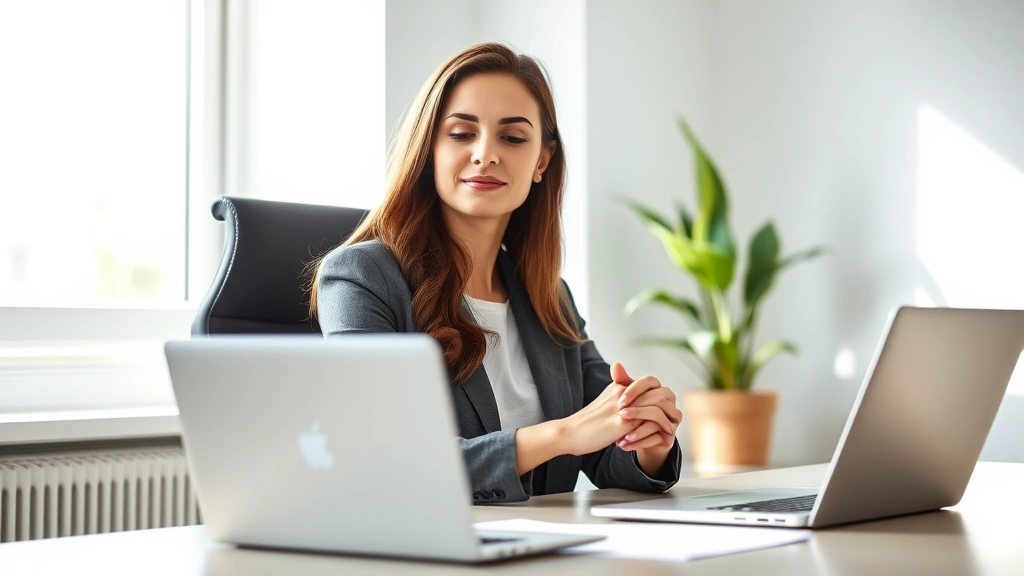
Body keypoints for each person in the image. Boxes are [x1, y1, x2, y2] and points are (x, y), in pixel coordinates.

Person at [310, 42, 682, 503]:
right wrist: (563, 434)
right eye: (462, 133)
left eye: (512, 138)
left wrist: (645, 434)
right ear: (429, 148)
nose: (485, 154)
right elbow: (387, 459)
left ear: (541, 162)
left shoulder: (549, 298)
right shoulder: (361, 277)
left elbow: (605, 449)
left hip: (545, 549)